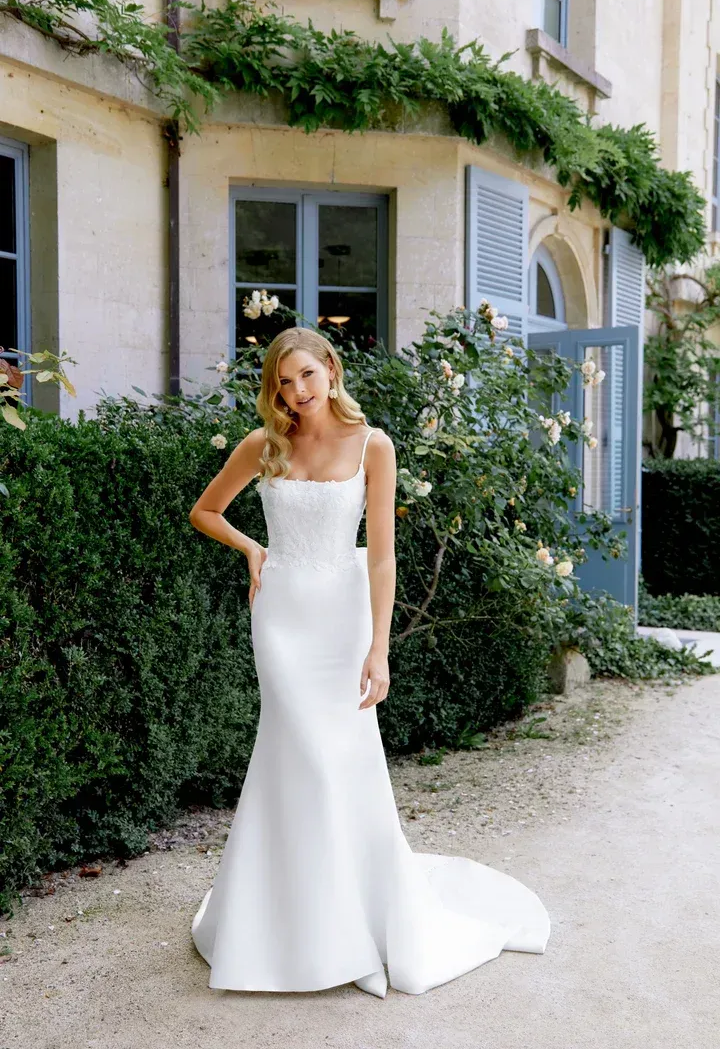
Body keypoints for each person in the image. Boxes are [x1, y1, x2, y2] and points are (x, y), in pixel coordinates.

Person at [188, 326, 550, 998]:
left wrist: (379, 647)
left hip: (344, 617)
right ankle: (285, 924)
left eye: (305, 376)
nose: (296, 392)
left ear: (331, 368)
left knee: (340, 759)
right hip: (282, 616)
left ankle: (349, 918)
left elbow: (382, 556)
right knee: (294, 754)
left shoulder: (373, 444)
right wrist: (252, 550)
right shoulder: (264, 444)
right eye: (283, 383)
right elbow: (205, 511)